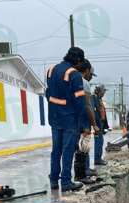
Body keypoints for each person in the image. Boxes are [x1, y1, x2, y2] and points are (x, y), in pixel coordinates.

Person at [46, 47, 90, 192]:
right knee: (68, 151)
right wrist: (84, 124)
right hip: (69, 119)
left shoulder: (51, 70)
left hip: (54, 117)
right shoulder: (74, 75)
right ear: (78, 60)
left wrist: (55, 108)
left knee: (56, 150)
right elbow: (80, 102)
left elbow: (48, 94)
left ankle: (53, 180)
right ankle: (65, 182)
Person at [73, 59, 100, 183]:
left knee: (73, 149)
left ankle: (73, 175)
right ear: (87, 71)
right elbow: (88, 105)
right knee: (83, 148)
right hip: (82, 121)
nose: (91, 78)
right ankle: (81, 174)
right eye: (91, 75)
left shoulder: (70, 80)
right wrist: (93, 124)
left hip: (70, 120)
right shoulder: (83, 83)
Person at [91, 84, 109, 166]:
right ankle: (97, 160)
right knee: (98, 142)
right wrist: (95, 125)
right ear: (99, 91)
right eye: (103, 91)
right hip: (97, 125)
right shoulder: (94, 99)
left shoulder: (99, 99)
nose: (104, 92)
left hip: (100, 125)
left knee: (100, 142)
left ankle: (98, 158)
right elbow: (94, 113)